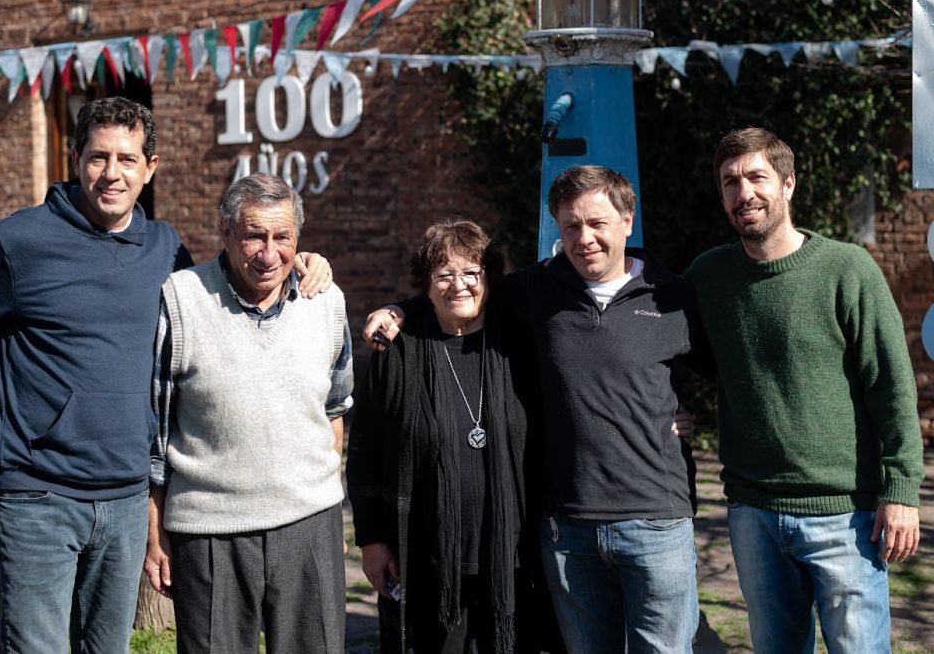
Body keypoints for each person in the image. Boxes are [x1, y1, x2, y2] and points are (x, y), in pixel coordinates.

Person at [0, 97, 331, 653]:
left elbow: (230, 293)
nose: (112, 173)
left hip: (127, 501)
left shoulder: (164, 250)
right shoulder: (19, 243)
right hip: (38, 498)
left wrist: (304, 264)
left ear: (150, 167)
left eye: (128, 159)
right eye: (98, 157)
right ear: (76, 159)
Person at [363, 167, 708, 653]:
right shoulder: (539, 289)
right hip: (570, 527)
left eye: (598, 223)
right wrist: (398, 310)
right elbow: (456, 293)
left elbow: (728, 369)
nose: (584, 238)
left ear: (627, 221)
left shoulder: (673, 294)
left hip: (657, 520)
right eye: (571, 226)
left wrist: (681, 418)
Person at [684, 127, 925, 653]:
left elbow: (892, 385)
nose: (743, 192)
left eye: (756, 177)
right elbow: (668, 351)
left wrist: (901, 491)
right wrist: (670, 409)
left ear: (788, 184)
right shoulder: (708, 277)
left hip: (847, 516)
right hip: (752, 514)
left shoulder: (846, 269)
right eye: (729, 181)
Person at [143, 173, 351, 654]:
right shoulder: (181, 298)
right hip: (210, 531)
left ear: (299, 240)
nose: (269, 252)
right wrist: (153, 533)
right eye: (254, 235)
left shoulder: (327, 302)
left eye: (283, 238)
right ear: (226, 232)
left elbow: (336, 409)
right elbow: (153, 431)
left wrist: (331, 509)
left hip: (309, 525)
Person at [347, 219, 551, 653]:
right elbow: (364, 453)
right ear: (426, 284)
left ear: (489, 278)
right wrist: (372, 541)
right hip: (424, 562)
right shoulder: (397, 353)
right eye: (443, 274)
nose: (459, 285)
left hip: (513, 562)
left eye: (471, 272)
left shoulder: (519, 346)